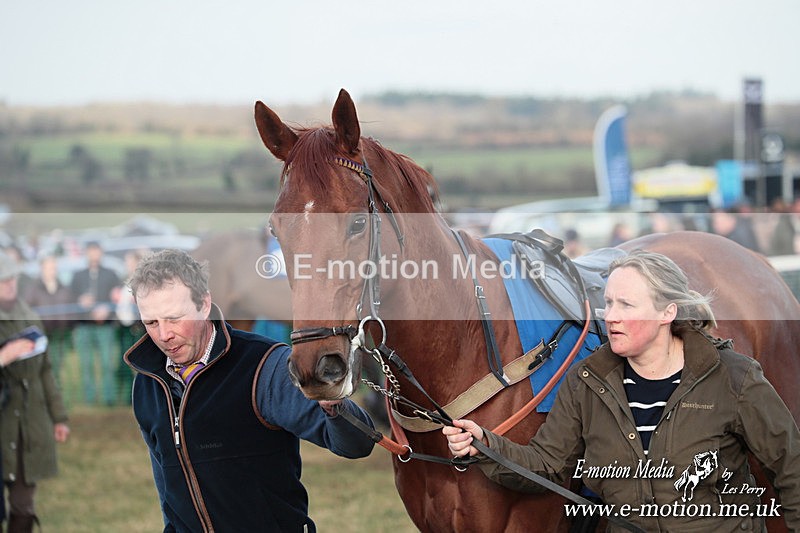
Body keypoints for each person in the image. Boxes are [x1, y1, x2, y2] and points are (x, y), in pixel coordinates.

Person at [444, 250, 800, 532]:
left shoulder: (734, 377)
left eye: (626, 305)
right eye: (609, 302)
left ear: (667, 313)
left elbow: (791, 467)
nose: (610, 316)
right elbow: (547, 465)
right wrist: (485, 445)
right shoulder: (587, 381)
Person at [123, 249, 375, 532]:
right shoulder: (147, 382)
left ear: (204, 304)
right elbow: (166, 486)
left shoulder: (264, 366)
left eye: (174, 318)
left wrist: (335, 408)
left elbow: (357, 444)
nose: (164, 334)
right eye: (151, 322)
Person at [0, 250, 70, 533]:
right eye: (4, 281)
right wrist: (5, 355)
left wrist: (59, 417)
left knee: (23, 505)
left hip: (28, 422)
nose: (10, 286)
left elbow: (45, 372)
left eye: (12, 279)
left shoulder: (29, 316)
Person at [69, 241, 122, 406]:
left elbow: (119, 298)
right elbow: (70, 298)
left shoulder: (111, 275)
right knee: (86, 364)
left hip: (105, 327)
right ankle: (89, 400)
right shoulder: (78, 276)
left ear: (101, 253)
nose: (94, 255)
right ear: (86, 253)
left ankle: (109, 399)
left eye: (96, 251)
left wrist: (108, 309)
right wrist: (79, 301)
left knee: (107, 363)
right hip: (84, 327)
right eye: (91, 251)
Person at [22, 255, 74, 386]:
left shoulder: (64, 288)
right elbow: (26, 309)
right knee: (42, 368)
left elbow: (71, 308)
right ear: (42, 269)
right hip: (41, 334)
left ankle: (56, 394)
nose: (52, 271)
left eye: (54, 268)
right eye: (49, 268)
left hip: (60, 335)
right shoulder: (33, 288)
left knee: (57, 367)